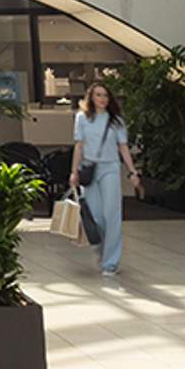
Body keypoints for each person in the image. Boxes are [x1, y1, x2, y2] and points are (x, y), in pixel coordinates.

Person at [69, 82, 142, 276]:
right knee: (96, 216)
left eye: (106, 96)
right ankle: (101, 250)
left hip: (110, 168)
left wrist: (133, 171)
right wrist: (74, 171)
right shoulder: (82, 118)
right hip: (89, 169)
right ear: (91, 97)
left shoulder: (115, 120)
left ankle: (111, 262)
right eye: (99, 95)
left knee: (112, 215)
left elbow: (123, 147)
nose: (102, 99)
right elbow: (79, 146)